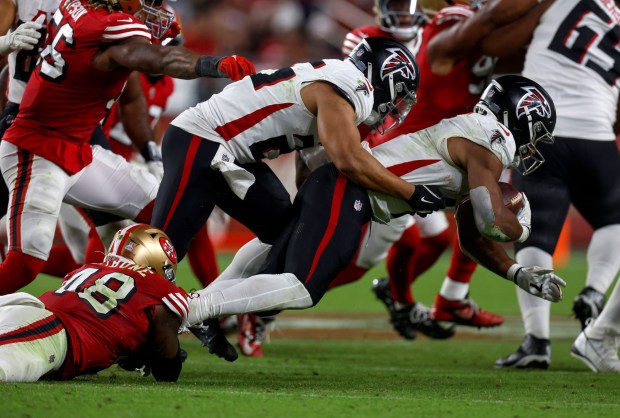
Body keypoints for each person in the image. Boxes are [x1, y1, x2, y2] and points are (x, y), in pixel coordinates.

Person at [186, 74, 566, 364]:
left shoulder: (476, 138)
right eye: (536, 135)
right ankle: (196, 308)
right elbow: (490, 221)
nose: (532, 147)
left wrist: (518, 272)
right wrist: (521, 223)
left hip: (341, 188)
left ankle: (188, 307)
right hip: (350, 190)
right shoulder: (489, 137)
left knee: (275, 255)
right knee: (301, 287)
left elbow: (472, 238)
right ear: (520, 118)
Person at [0, 0, 255, 295]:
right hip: (37, 148)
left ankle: (135, 306)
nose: (157, 9)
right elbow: (158, 58)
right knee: (25, 263)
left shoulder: (78, 7)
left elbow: (136, 79)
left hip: (78, 148)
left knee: (164, 210)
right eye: (150, 2)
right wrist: (212, 64)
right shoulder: (108, 27)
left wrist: (149, 152)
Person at [489, 0, 620, 369]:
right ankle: (595, 290)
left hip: (540, 126)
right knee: (616, 221)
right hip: (596, 127)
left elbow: (500, 40)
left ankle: (536, 341)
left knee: (535, 235)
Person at [0, 224, 188, 382]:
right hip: (52, 331)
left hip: (23, 308)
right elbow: (168, 371)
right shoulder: (158, 288)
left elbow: (104, 321)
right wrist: (154, 351)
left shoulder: (88, 269)